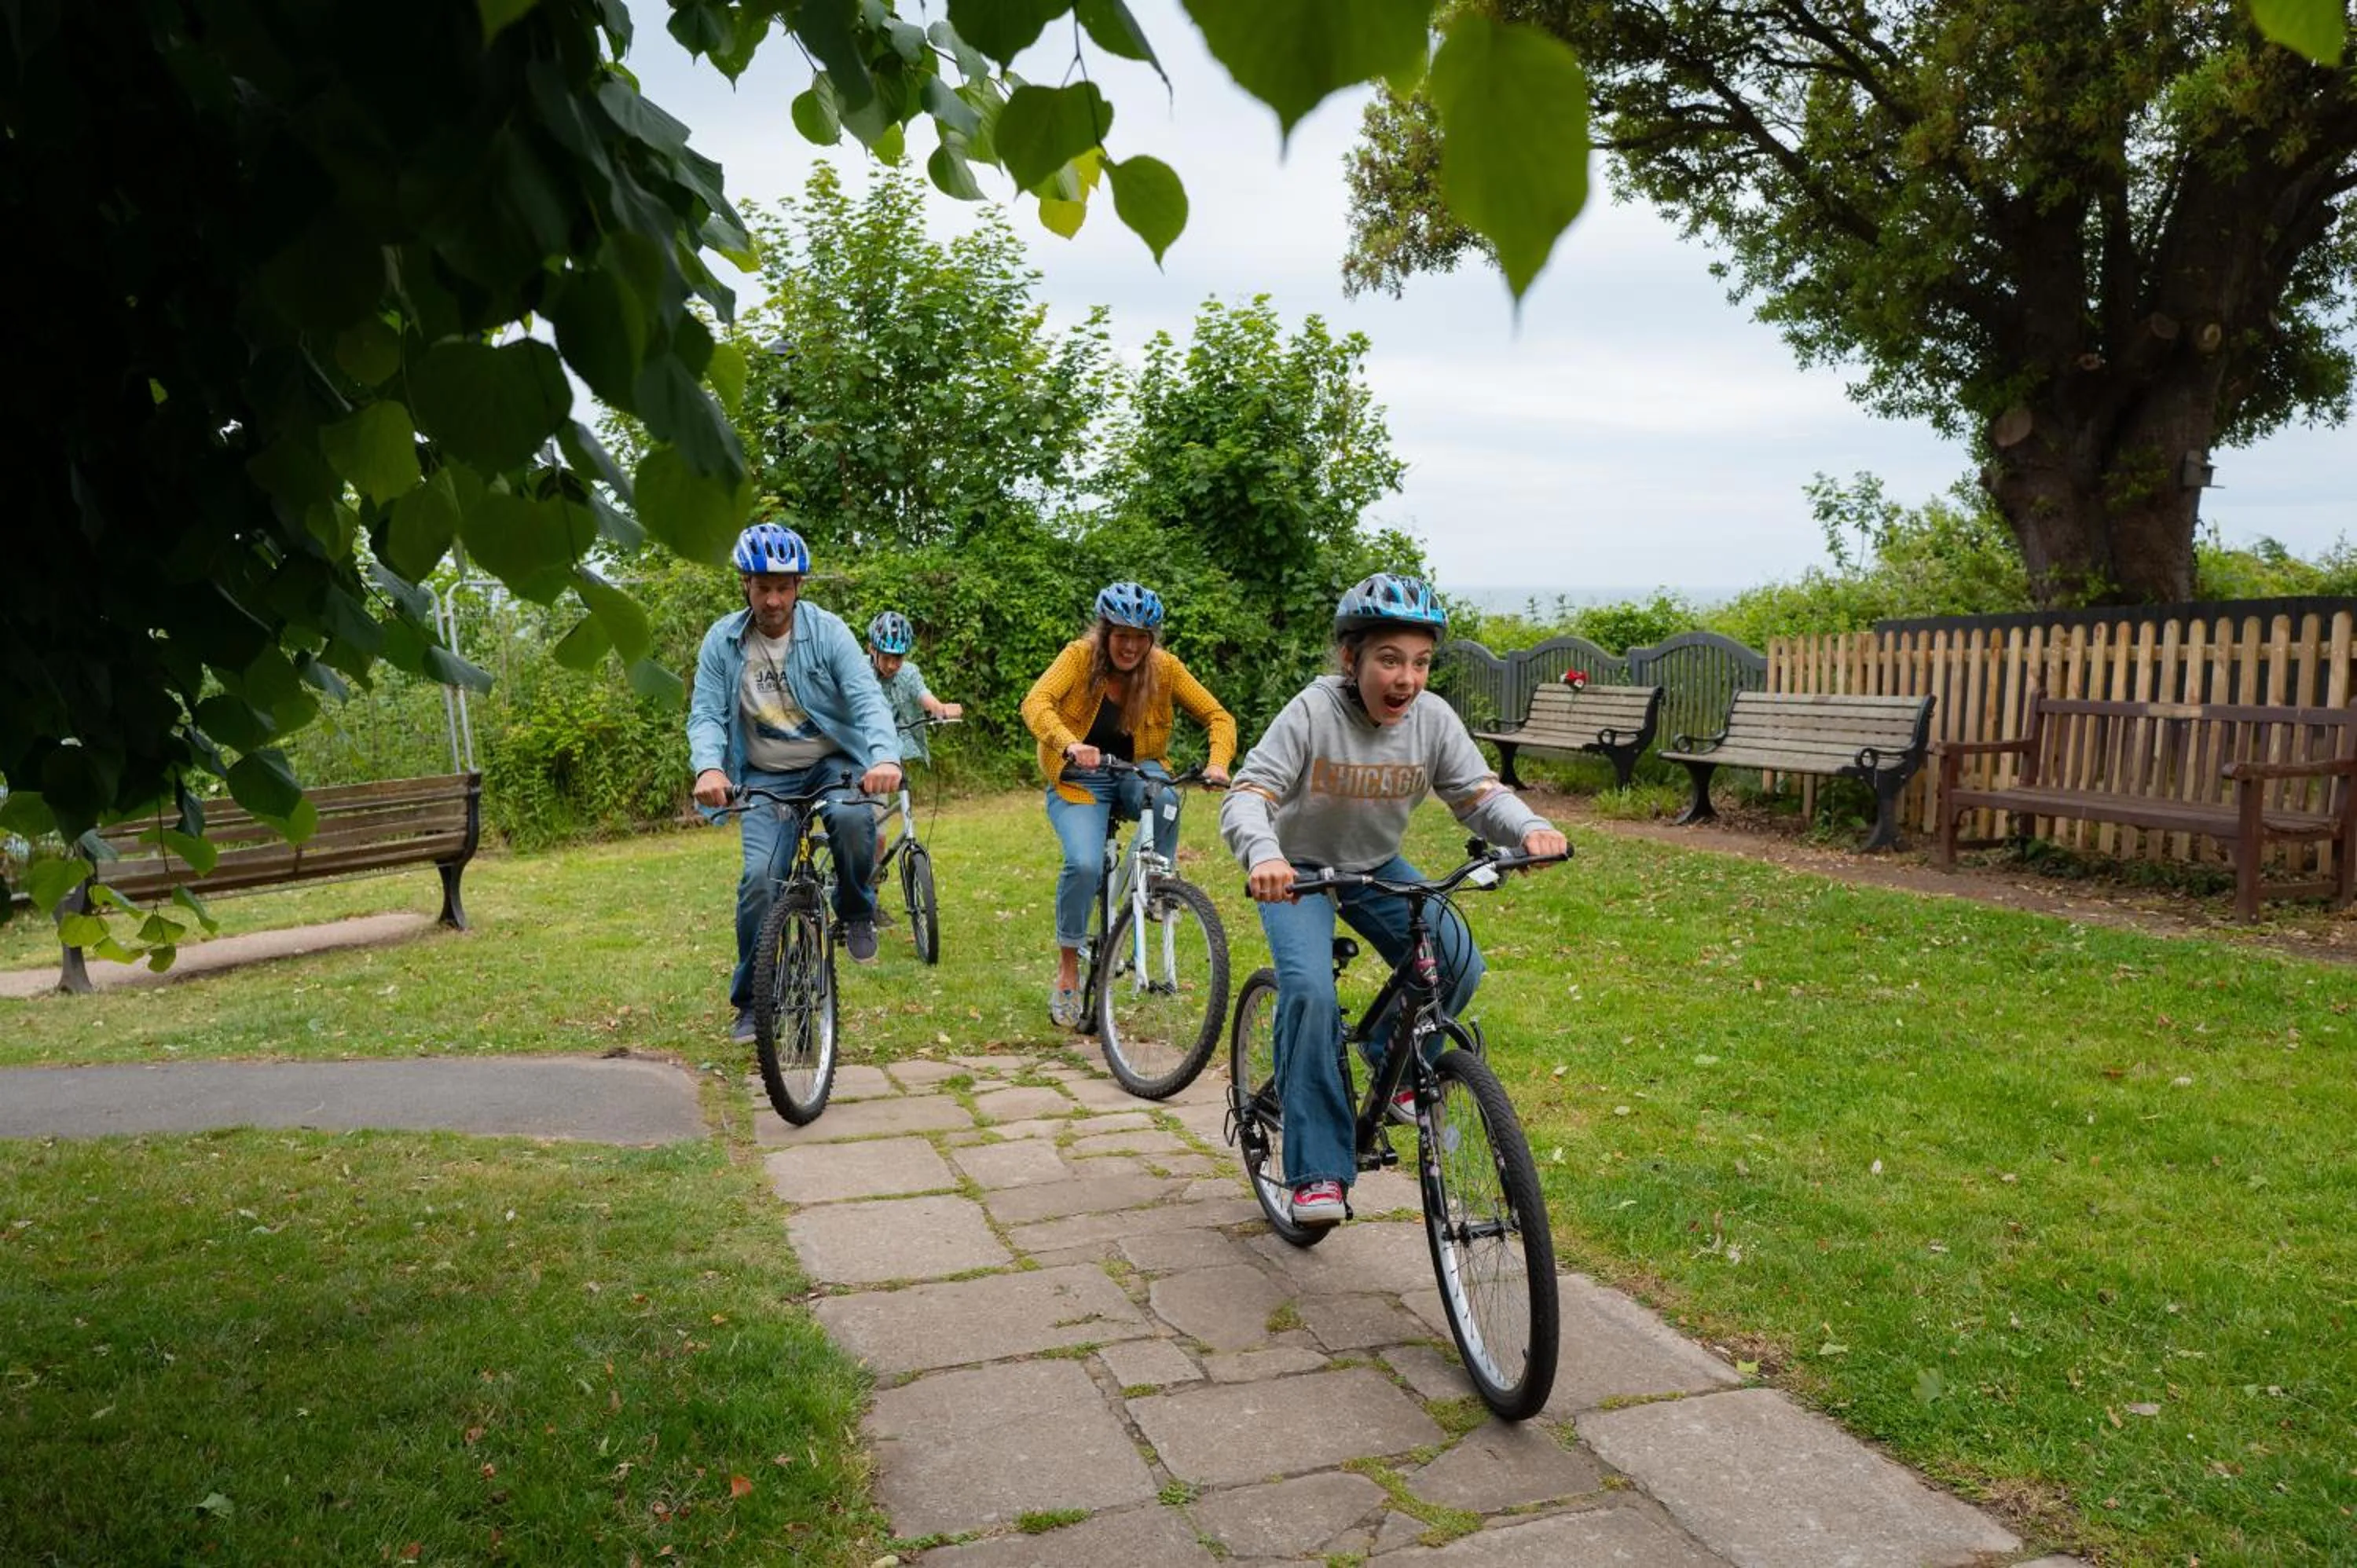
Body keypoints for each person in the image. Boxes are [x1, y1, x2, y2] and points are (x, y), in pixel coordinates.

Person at [1219, 573, 1567, 1227]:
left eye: (1421, 662)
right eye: (1389, 659)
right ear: (1351, 659)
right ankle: (1317, 1171)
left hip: (1376, 865)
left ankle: (1391, 1058)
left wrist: (1528, 828)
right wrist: (1263, 855)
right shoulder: (1314, 711)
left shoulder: (1431, 720)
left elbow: (1477, 793)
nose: (1407, 678)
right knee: (1312, 995)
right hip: (1297, 871)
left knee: (1457, 958)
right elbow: (1250, 792)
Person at [689, 522, 904, 1046]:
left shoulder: (828, 632)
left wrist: (884, 757)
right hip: (765, 775)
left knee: (854, 818)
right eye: (763, 587)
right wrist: (708, 768)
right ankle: (751, 1001)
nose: (774, 599)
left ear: (799, 586)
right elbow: (706, 716)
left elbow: (865, 697)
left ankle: (855, 909)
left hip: (832, 763)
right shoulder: (723, 641)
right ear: (745, 585)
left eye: (784, 586)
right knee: (760, 883)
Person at [1020, 581, 1237, 1029]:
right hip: (1080, 779)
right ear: (1105, 633)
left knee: (1167, 797)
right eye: (1122, 635)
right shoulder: (1078, 658)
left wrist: (1217, 764)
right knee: (1082, 864)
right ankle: (1067, 966)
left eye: (1141, 638)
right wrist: (1070, 744)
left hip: (1137, 770)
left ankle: (1155, 881)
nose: (1131, 646)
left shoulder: (1165, 669)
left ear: (1151, 639)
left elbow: (1219, 716)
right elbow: (1036, 702)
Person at [867, 610, 963, 764]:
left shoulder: (909, 672)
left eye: (898, 658)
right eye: (886, 658)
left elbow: (923, 695)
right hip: (870, 749)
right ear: (872, 649)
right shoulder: (859, 672)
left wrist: (941, 709)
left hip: (908, 752)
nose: (892, 666)